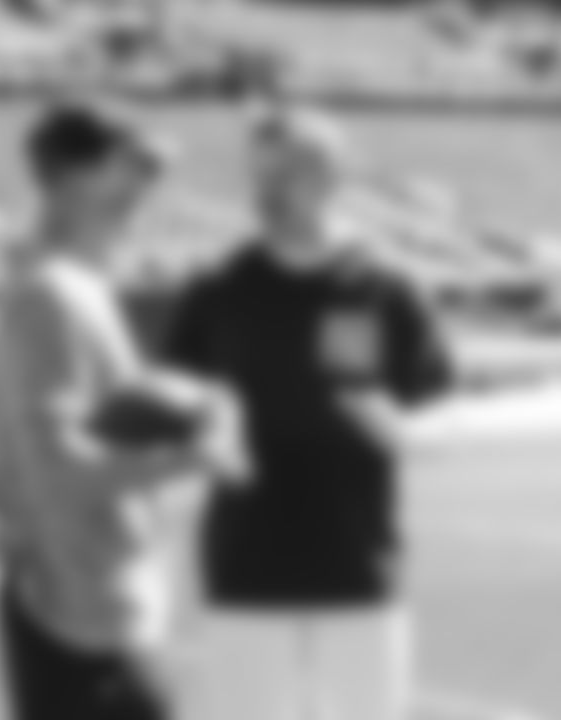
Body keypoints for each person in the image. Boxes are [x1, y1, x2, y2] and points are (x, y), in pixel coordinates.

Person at [155, 108, 454, 720]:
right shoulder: (217, 287)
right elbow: (170, 402)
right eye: (259, 173)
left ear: (331, 176)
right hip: (245, 572)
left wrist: (401, 431)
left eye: (286, 172)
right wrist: (195, 440)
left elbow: (439, 409)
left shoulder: (385, 286)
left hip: (358, 569)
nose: (267, 190)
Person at [0, 103, 241, 720]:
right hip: (76, 620)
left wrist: (184, 396)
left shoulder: (75, 284)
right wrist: (193, 455)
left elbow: (91, 414)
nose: (145, 187)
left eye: (152, 172)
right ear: (72, 177)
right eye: (131, 168)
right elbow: (58, 467)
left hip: (95, 607)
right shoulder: (48, 294)